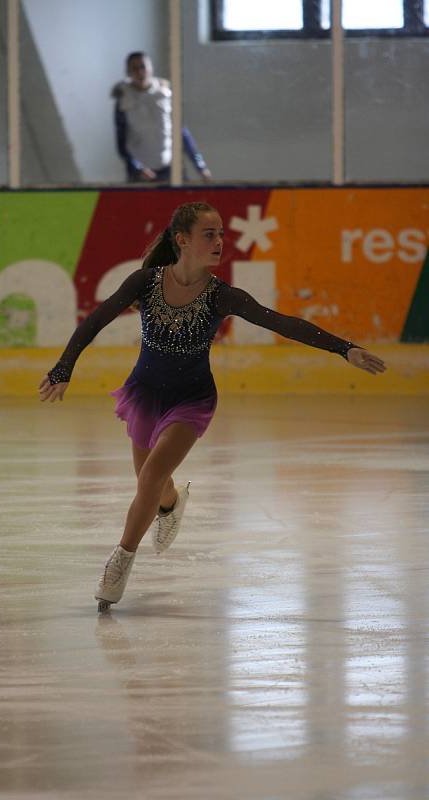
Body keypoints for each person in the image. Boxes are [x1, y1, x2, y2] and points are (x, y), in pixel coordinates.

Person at [39, 201, 387, 613]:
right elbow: (95, 319)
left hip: (192, 399)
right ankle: (171, 504)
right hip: (145, 394)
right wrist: (64, 367)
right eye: (210, 234)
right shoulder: (145, 282)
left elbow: (281, 322)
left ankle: (119, 563)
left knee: (151, 474)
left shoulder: (222, 296)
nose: (220, 241)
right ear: (182, 240)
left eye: (221, 233)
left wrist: (343, 348)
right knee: (151, 485)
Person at [112, 52, 212, 183]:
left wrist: (200, 166)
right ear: (128, 72)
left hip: (170, 169)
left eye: (143, 67)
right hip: (141, 175)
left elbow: (182, 133)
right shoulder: (124, 100)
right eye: (134, 68)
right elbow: (121, 143)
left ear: (150, 68)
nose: (140, 72)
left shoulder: (165, 94)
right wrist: (136, 167)